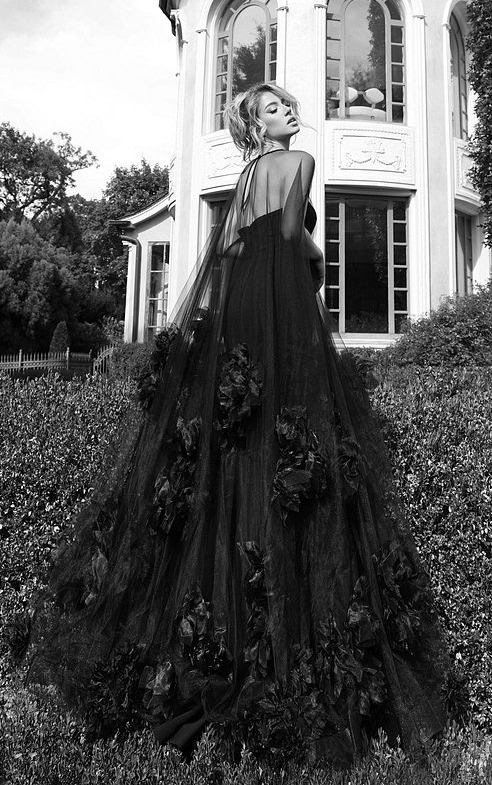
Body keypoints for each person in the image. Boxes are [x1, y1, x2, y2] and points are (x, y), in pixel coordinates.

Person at [27, 82, 447, 767]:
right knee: (294, 425)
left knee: (234, 433)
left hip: (240, 303)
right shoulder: (298, 161)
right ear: (259, 123)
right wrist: (315, 261)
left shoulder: (244, 172)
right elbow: (290, 236)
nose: (290, 109)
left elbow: (226, 251)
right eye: (275, 107)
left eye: (286, 103)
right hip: (280, 294)